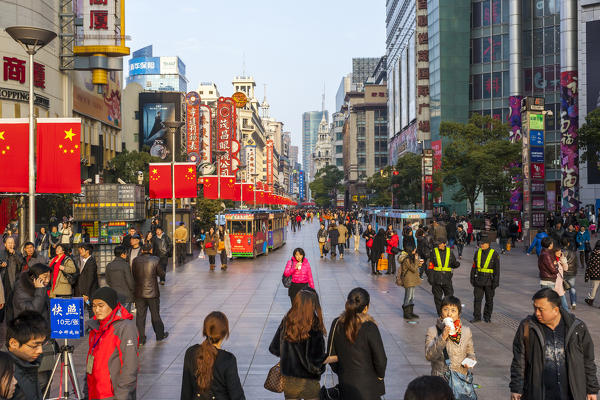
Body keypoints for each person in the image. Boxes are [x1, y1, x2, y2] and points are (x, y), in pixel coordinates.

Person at [509, 288, 599, 400]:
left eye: (540, 309)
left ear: (556, 310)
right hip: (539, 393)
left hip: (571, 393)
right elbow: (519, 361)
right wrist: (516, 388)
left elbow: (588, 361)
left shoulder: (577, 328)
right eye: (535, 308)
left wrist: (591, 390)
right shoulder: (528, 327)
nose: (536, 313)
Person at [327, 288, 387, 400]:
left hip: (346, 387)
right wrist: (379, 376)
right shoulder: (370, 327)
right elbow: (381, 359)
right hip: (369, 389)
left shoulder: (337, 323)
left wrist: (343, 371)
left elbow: (331, 355)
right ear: (366, 308)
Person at [269, 289, 327, 400]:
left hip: (289, 382)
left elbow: (275, 349)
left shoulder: (287, 321)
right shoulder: (315, 325)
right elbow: (317, 361)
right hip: (309, 383)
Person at [86, 287, 138, 400]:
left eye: (101, 305)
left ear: (112, 305)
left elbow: (130, 366)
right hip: (94, 392)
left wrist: (122, 395)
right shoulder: (96, 327)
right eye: (94, 306)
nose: (97, 310)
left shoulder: (125, 327)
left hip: (113, 394)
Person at [181, 312, 245, 400]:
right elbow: (237, 395)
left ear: (205, 331)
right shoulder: (228, 360)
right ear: (224, 333)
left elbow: (186, 391)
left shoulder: (191, 352)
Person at [11, 264, 53, 393]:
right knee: (39, 380)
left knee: (46, 377)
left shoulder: (40, 288)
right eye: (44, 277)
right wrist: (40, 291)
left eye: (49, 277)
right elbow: (33, 311)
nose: (47, 280)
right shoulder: (21, 290)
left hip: (43, 338)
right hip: (29, 341)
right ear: (33, 277)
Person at [425, 297, 476, 387]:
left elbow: (470, 352)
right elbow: (429, 356)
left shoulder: (466, 331)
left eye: (453, 310)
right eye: (446, 309)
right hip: (440, 381)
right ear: (441, 311)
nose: (449, 314)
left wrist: (471, 360)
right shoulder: (432, 331)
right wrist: (442, 337)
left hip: (460, 380)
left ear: (458, 314)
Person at [5, 311, 48, 400]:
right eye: (34, 346)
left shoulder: (28, 363)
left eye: (42, 344)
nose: (40, 351)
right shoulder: (5, 372)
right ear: (13, 343)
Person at [132, 243, 168, 345]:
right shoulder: (155, 259)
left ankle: (141, 338)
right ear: (151, 250)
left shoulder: (135, 260)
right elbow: (162, 274)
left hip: (139, 292)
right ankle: (159, 335)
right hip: (152, 293)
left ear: (142, 250)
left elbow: (133, 275)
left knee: (140, 316)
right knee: (155, 314)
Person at [469, 237, 500, 323]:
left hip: (489, 281)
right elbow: (474, 267)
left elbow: (497, 270)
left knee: (489, 300)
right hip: (478, 280)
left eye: (483, 243)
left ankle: (487, 317)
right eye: (480, 243)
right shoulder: (477, 253)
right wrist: (472, 278)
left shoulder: (494, 254)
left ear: (488, 244)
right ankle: (477, 316)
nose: (481, 245)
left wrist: (495, 282)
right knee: (477, 299)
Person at [426, 240, 460, 316]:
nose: (439, 245)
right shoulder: (434, 252)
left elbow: (453, 263)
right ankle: (440, 314)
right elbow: (430, 265)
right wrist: (430, 277)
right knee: (437, 298)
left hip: (447, 279)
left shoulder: (449, 252)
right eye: (438, 244)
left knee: (449, 297)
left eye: (440, 244)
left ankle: (449, 313)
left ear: (444, 244)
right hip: (436, 278)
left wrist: (456, 264)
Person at [105, 246, 135, 312]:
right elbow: (129, 281)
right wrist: (133, 291)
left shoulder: (109, 265)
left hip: (114, 295)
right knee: (125, 317)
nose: (127, 255)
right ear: (122, 254)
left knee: (116, 317)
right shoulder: (125, 265)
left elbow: (108, 280)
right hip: (126, 296)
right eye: (126, 253)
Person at [0, 237, 24, 320]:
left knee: (10, 305)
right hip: (1, 281)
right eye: (8, 243)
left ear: (14, 244)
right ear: (5, 244)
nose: (10, 244)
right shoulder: (1, 253)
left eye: (12, 243)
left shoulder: (17, 253)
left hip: (12, 282)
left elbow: (21, 264)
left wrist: (14, 254)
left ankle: (10, 324)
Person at [398, 244, 423, 320]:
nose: (415, 251)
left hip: (412, 279)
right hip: (408, 280)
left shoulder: (410, 258)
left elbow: (415, 267)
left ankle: (411, 312)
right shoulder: (406, 259)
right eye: (414, 250)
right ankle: (406, 313)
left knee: (412, 296)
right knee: (408, 297)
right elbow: (413, 269)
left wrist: (418, 262)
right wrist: (416, 260)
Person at [75, 243, 99, 317]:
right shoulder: (83, 260)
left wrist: (86, 294)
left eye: (81, 249)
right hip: (83, 291)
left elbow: (90, 279)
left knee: (91, 309)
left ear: (87, 251)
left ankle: (93, 326)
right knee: (88, 309)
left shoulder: (91, 262)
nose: (80, 251)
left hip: (89, 293)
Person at [560, 238, 578, 310]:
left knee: (562, 289)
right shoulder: (573, 252)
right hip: (572, 272)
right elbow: (576, 263)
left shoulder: (560, 252)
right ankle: (573, 302)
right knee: (572, 288)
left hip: (562, 272)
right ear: (568, 244)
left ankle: (563, 304)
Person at [585, 241, 600, 306]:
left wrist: (587, 276)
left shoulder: (593, 253)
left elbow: (589, 265)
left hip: (595, 274)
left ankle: (590, 299)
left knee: (594, 287)